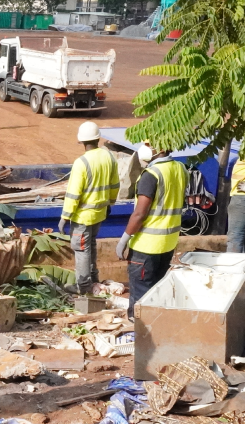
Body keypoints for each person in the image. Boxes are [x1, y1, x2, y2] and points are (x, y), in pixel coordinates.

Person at [117, 145, 187, 320]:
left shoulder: (151, 175)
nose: (144, 148)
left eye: (149, 144)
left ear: (162, 148)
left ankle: (141, 329)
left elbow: (140, 213)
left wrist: (124, 239)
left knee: (141, 293)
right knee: (157, 289)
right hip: (168, 243)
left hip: (146, 246)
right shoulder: (180, 168)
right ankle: (158, 324)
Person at [59, 121, 119, 294]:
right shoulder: (109, 157)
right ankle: (94, 281)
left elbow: (73, 194)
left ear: (82, 142)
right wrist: (110, 203)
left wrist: (65, 216)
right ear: (98, 138)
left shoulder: (81, 162)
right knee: (90, 245)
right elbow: (115, 185)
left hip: (83, 217)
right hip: (100, 213)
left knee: (82, 249)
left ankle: (84, 287)